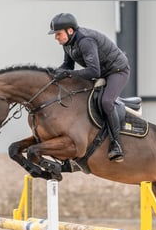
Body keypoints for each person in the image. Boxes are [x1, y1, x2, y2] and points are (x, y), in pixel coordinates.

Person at [48, 13, 130, 162]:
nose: (56, 38)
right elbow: (68, 66)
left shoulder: (85, 41)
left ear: (70, 31)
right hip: (100, 72)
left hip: (116, 71)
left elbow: (94, 71)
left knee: (106, 102)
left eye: (58, 34)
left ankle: (116, 144)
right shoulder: (67, 44)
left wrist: (68, 74)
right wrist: (53, 74)